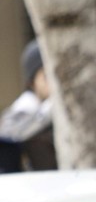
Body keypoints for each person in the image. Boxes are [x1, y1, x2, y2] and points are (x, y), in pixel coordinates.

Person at [0, 38, 57, 172]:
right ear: (32, 82)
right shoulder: (25, 108)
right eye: (45, 76)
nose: (52, 82)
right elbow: (10, 135)